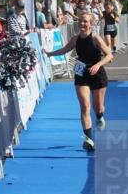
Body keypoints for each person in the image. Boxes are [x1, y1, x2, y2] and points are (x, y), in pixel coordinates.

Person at [44, 12, 112, 151]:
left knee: (98, 107)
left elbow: (109, 55)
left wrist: (98, 65)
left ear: (91, 24)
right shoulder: (75, 39)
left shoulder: (96, 38)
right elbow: (64, 50)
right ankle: (89, 140)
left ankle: (100, 116)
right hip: (81, 74)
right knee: (85, 107)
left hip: (97, 74)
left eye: (85, 21)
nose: (82, 24)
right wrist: (49, 53)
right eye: (80, 21)